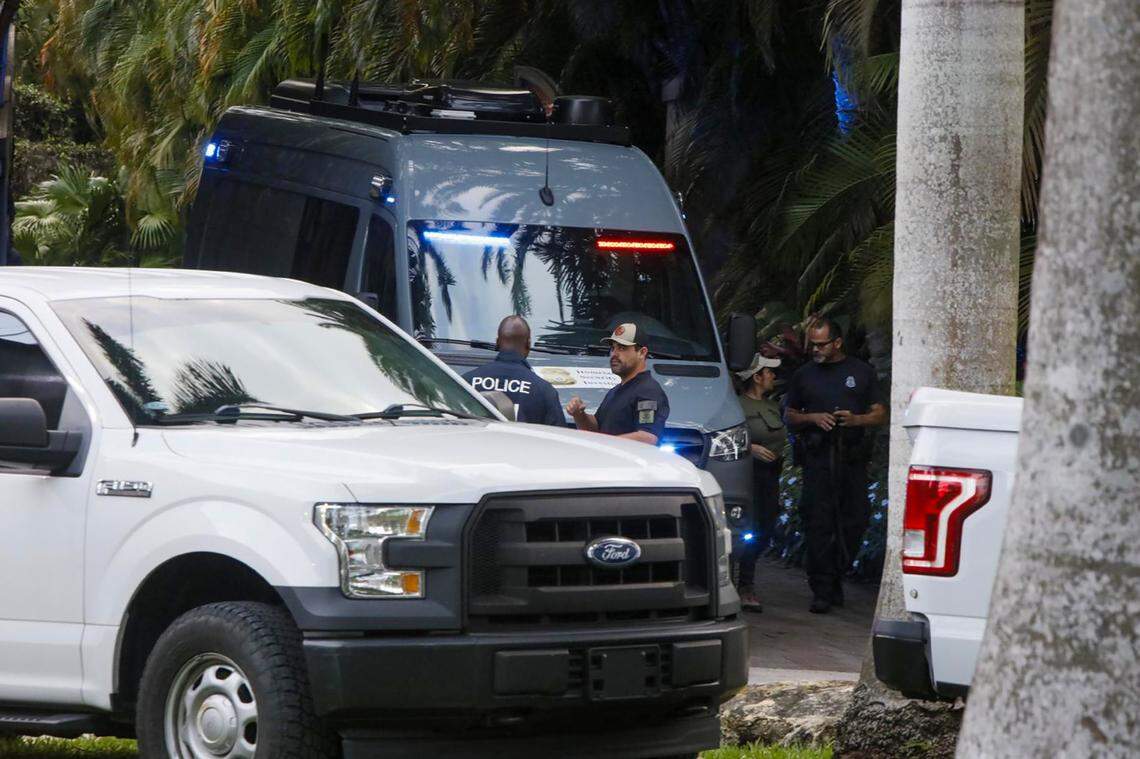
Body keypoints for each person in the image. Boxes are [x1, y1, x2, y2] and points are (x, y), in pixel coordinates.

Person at [784, 319, 886, 614]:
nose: (815, 349)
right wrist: (813, 418)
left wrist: (856, 420)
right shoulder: (804, 375)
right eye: (812, 344)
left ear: (837, 343)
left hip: (851, 459)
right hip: (817, 459)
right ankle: (822, 588)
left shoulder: (861, 372)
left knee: (855, 520)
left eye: (821, 344)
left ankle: (837, 575)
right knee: (818, 523)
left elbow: (879, 413)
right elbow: (790, 414)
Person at [733, 352, 787, 612]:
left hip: (770, 476)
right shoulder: (736, 406)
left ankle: (744, 581)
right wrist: (750, 447)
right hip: (746, 474)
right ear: (757, 377)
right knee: (747, 530)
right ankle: (743, 585)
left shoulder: (772, 406)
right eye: (769, 372)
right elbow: (725, 436)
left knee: (765, 528)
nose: (773, 376)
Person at [565, 322, 670, 444]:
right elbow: (596, 429)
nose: (614, 354)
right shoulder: (616, 390)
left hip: (628, 463)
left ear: (642, 352)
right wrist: (579, 414)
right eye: (613, 348)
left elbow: (647, 437)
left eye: (622, 348)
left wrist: (604, 444)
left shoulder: (648, 392)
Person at [462, 315, 564, 426]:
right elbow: (559, 438)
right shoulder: (544, 391)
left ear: (497, 342)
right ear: (528, 344)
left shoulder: (465, 384)